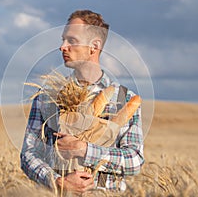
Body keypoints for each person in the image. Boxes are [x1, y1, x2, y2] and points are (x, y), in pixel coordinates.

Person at [21, 10, 144, 193]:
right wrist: (58, 181)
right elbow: (28, 154)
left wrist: (84, 150)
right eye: (63, 40)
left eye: (72, 40)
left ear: (94, 46)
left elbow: (134, 161)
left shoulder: (124, 99)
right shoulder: (47, 97)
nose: (62, 46)